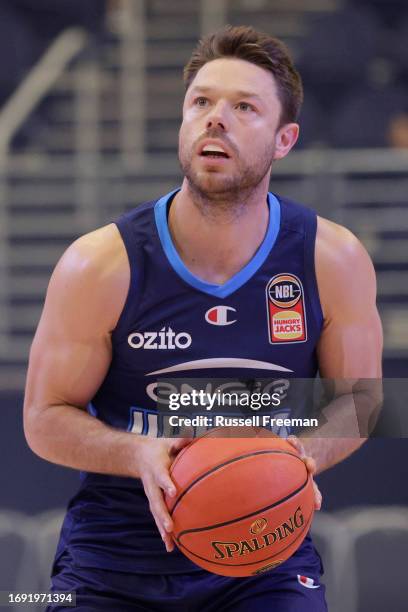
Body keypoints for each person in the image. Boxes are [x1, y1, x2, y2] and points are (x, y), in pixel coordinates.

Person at [24, 25, 382, 611]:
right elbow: (42, 418)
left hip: (264, 548)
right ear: (183, 124)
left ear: (285, 138)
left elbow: (363, 399)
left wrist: (297, 456)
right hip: (115, 554)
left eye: (244, 106)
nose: (217, 118)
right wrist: (137, 453)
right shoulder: (100, 264)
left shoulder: (331, 258)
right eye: (202, 103)